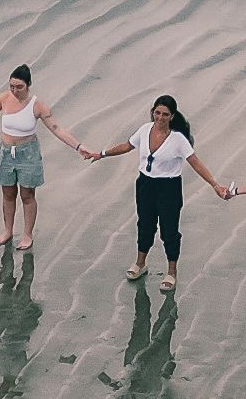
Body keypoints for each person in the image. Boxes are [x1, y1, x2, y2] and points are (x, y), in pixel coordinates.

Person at [77, 92, 232, 288]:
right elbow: (127, 145)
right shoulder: (144, 130)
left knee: (169, 231)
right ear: (152, 112)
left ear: (172, 116)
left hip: (169, 188)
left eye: (165, 114)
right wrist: (101, 154)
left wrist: (215, 185)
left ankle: (171, 272)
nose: (159, 118)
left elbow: (195, 163)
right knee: (145, 224)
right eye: (157, 113)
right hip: (145, 185)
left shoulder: (178, 139)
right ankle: (140, 264)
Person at [0, 65, 92, 250]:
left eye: (19, 87)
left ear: (28, 85)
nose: (15, 91)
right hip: (6, 152)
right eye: (12, 86)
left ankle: (27, 235)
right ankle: (8, 230)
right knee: (8, 194)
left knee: (27, 195)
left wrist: (79, 147)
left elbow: (57, 129)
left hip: (28, 153)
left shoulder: (37, 105)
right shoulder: (4, 98)